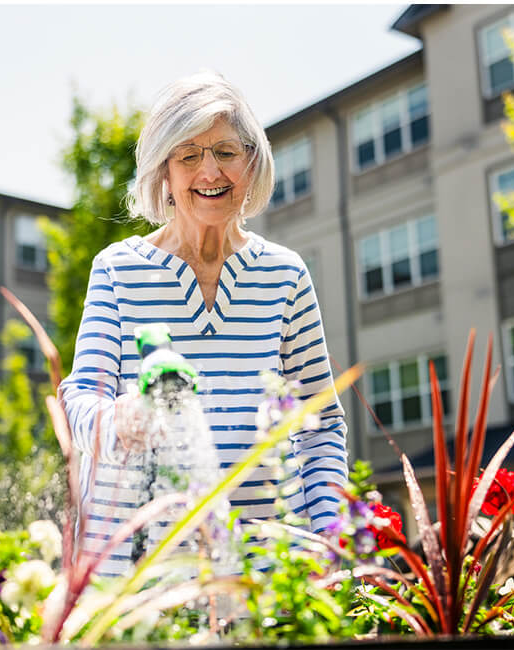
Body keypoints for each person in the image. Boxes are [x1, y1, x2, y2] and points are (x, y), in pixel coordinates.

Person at [59, 71, 347, 577]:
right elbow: (81, 399)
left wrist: (327, 543)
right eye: (188, 155)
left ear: (251, 162)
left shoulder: (284, 275)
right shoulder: (118, 269)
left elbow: (319, 424)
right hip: (132, 575)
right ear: (163, 175)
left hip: (261, 574)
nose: (210, 171)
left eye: (226, 152)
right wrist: (118, 420)